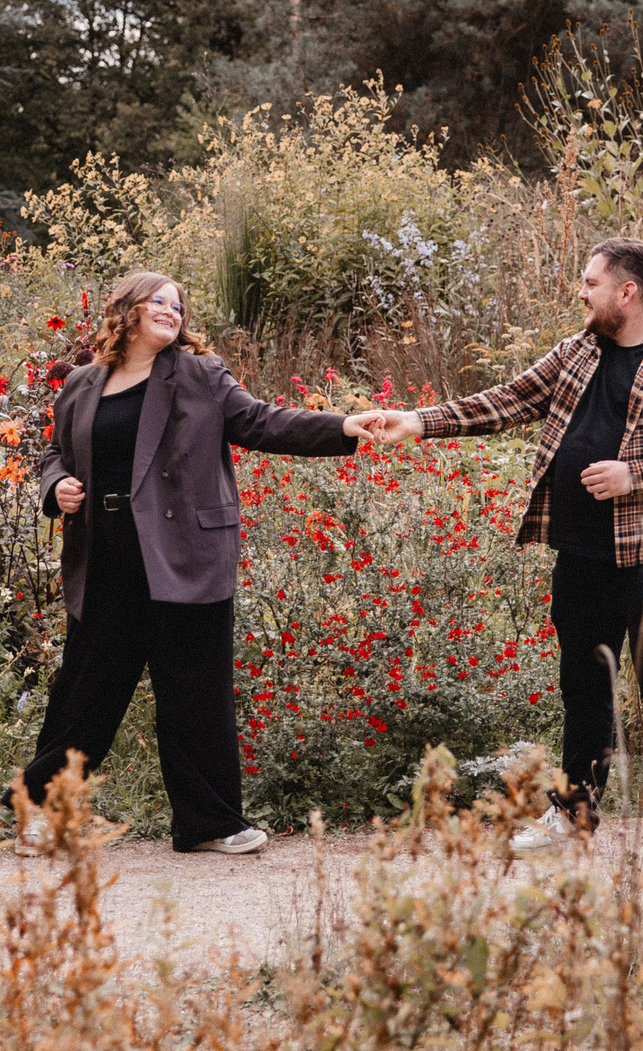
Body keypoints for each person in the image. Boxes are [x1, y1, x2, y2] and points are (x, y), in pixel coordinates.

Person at [361, 238, 643, 852]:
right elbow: (507, 401)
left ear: (626, 291)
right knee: (583, 684)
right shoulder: (578, 352)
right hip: (582, 546)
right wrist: (420, 421)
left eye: (591, 282)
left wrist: (633, 474)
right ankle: (575, 815)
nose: (581, 292)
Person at [24, 271, 384, 855]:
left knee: (195, 690)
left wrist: (343, 425)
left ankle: (209, 823)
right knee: (86, 691)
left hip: (184, 553)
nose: (172, 309)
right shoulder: (81, 385)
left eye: (179, 304)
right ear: (128, 312)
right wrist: (57, 483)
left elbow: (262, 422)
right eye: (158, 301)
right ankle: (41, 815)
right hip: (106, 553)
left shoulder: (199, 374)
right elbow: (55, 453)